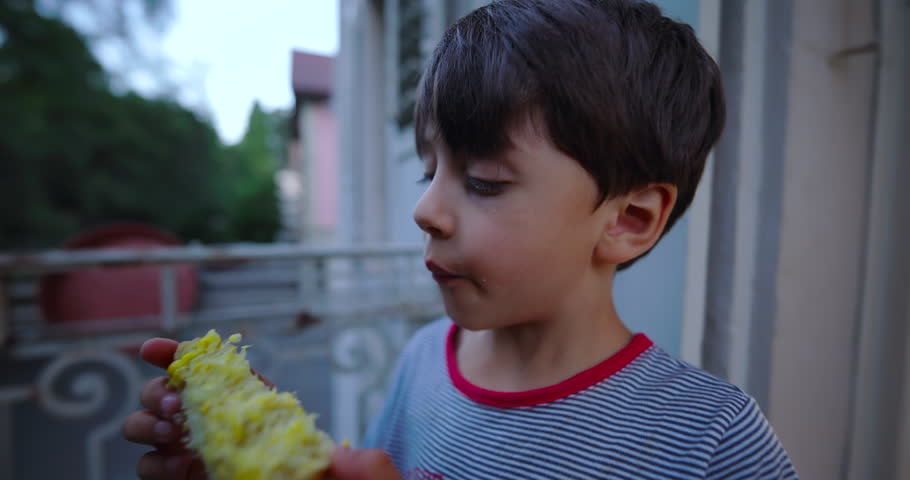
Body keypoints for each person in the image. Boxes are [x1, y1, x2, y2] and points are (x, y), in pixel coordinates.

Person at [123, 0, 799, 478]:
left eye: (482, 181)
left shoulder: (710, 441)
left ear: (627, 220)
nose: (425, 208)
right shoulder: (424, 362)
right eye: (429, 169)